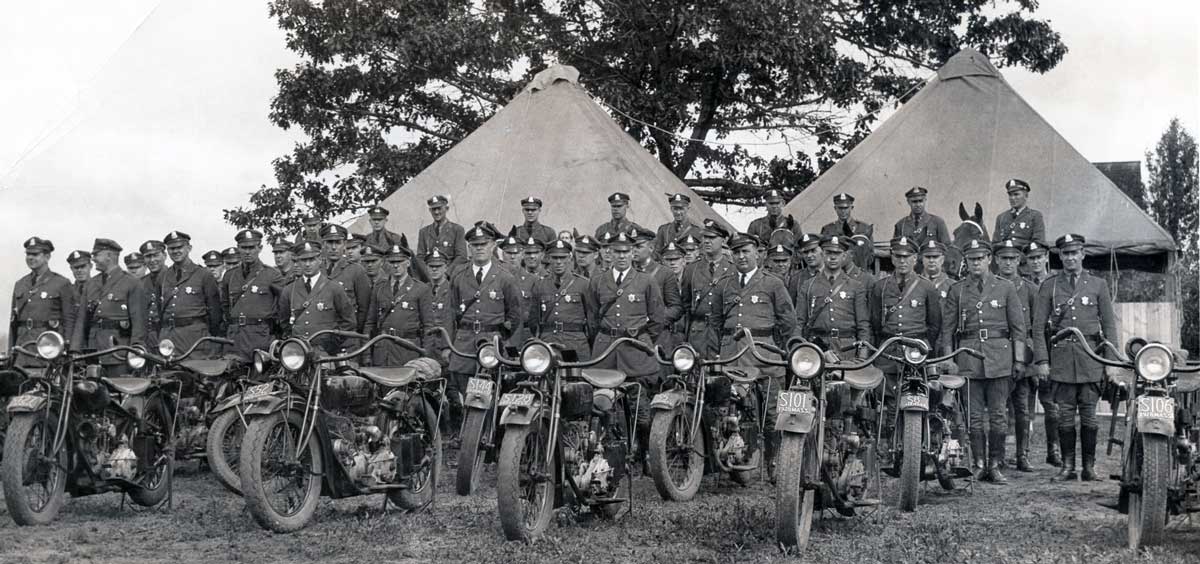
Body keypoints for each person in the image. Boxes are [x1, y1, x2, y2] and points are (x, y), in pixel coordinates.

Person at [1032, 234, 1118, 481]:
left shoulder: (1098, 285)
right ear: (1059, 256)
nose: (1070, 258)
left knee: (1090, 416)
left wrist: (1110, 363)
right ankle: (1068, 466)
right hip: (1061, 359)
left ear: (1083, 254)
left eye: (1074, 252)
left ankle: (1089, 468)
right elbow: (1038, 328)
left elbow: (1110, 327)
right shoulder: (1050, 286)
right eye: (1065, 253)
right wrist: (1042, 361)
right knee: (1065, 415)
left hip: (1090, 357)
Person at [940, 239, 1026, 484]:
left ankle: (995, 464)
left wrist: (1018, 360)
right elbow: (947, 330)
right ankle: (978, 464)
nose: (975, 263)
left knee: (999, 415)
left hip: (1000, 359)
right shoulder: (958, 290)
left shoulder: (1005, 287)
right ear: (966, 261)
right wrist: (950, 359)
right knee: (974, 417)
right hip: (968, 358)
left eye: (980, 258)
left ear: (989, 259)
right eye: (971, 259)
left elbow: (1018, 328)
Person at [713, 232, 796, 481]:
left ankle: (774, 461)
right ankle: (736, 457)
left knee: (773, 414)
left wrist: (788, 354)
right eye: (736, 252)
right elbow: (716, 323)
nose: (741, 256)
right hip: (732, 355)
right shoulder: (725, 284)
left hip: (764, 355)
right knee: (729, 409)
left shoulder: (772, 283)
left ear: (758, 253)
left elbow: (789, 323)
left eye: (746, 251)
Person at [584, 229, 663, 466]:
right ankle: (612, 455)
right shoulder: (598, 280)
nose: (621, 256)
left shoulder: (646, 281)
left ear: (633, 253)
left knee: (640, 408)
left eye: (626, 251)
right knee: (605, 405)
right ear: (609, 253)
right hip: (606, 350)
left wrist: (642, 340)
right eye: (616, 252)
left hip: (635, 349)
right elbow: (592, 317)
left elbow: (657, 318)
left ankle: (646, 454)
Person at [445, 223, 522, 441]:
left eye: (484, 244)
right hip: (464, 343)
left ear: (493, 246)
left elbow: (515, 315)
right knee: (465, 388)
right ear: (469, 248)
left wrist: (505, 344)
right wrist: (447, 346)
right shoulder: (459, 277)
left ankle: (489, 436)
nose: (479, 248)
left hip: (492, 342)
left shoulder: (504, 277)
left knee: (492, 388)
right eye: (474, 245)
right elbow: (451, 314)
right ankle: (470, 434)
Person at [870, 237, 942, 460]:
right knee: (889, 399)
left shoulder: (927, 287)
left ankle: (918, 445)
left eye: (907, 257)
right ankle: (890, 446)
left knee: (918, 394)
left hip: (916, 351)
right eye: (898, 256)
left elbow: (934, 324)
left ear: (915, 259)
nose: (902, 261)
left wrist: (919, 346)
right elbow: (874, 322)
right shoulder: (880, 287)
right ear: (891, 258)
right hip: (889, 351)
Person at [72, 239, 147, 376]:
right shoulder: (91, 284)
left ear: (109, 256)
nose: (93, 259)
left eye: (96, 255)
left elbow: (139, 322)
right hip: (93, 351)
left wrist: (135, 352)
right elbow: (81, 320)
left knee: (118, 393)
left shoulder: (131, 283)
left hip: (118, 353)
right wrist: (76, 349)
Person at [994, 238, 1037, 472]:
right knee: (999, 407)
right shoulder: (992, 286)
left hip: (1023, 353)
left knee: (1022, 407)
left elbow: (1038, 326)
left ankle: (1022, 455)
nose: (1008, 263)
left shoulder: (1029, 289)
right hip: (999, 352)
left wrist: (1038, 359)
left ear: (1019, 261)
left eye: (1012, 259)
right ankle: (998, 456)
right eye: (1004, 259)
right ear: (997, 261)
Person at [277, 240, 356, 354]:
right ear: (298, 262)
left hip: (326, 353)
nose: (308, 264)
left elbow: (349, 321)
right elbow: (284, 322)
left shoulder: (334, 288)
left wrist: (331, 342)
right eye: (304, 260)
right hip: (298, 354)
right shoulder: (289, 290)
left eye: (312, 259)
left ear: (319, 260)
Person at [794, 236, 870, 353]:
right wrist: (797, 348)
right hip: (817, 346)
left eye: (837, 253)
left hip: (847, 346)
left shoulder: (855, 286)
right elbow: (799, 322)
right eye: (828, 253)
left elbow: (863, 324)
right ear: (823, 254)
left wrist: (863, 354)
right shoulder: (808, 285)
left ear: (844, 256)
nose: (833, 257)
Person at [364, 242, 435, 366]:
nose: (396, 266)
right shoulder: (379, 288)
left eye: (400, 262)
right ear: (387, 264)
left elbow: (429, 326)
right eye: (392, 262)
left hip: (408, 350)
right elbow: (370, 323)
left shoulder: (421, 289)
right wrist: (367, 354)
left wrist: (426, 355)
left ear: (408, 263)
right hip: (382, 351)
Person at [9, 237, 77, 356]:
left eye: (35, 254)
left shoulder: (61, 283)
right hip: (23, 347)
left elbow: (69, 319)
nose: (30, 258)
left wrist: (68, 347)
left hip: (50, 347)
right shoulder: (20, 284)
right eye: (28, 254)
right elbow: (13, 322)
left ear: (47, 257)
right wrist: (11, 348)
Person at [1024, 239, 1059, 465]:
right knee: (1024, 405)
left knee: (1051, 404)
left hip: (1051, 347)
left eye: (1039, 257)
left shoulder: (1057, 283)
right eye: (1031, 259)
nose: (1036, 262)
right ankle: (1023, 453)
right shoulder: (1021, 285)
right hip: (1028, 347)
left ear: (1046, 257)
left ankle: (1053, 451)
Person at [160, 231, 223, 356]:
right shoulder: (163, 276)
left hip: (194, 339)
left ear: (189, 248)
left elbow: (215, 313)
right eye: (172, 248)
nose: (176, 251)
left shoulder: (203, 275)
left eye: (179, 247)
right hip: (168, 339)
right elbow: (160, 307)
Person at [223, 229, 283, 362]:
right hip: (234, 339)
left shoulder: (272, 275)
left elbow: (282, 307)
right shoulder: (230, 276)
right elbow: (225, 307)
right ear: (238, 248)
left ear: (260, 248)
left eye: (251, 247)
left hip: (259, 338)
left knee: (258, 380)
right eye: (244, 248)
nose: (247, 252)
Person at [680, 219, 734, 359]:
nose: (707, 241)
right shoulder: (691, 269)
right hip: (697, 333)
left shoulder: (733, 268)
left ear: (723, 241)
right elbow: (685, 305)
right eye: (705, 237)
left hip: (723, 332)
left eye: (712, 237)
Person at [529, 239, 591, 360]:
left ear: (570, 258)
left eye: (562, 258)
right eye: (555, 258)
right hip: (548, 342)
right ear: (549, 259)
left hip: (575, 342)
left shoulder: (583, 284)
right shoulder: (540, 284)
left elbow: (592, 320)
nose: (558, 262)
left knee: (575, 377)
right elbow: (534, 319)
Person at [633, 225, 682, 366]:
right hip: (633, 336)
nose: (634, 250)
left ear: (651, 248)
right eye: (632, 246)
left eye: (639, 246)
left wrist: (656, 319)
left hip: (659, 337)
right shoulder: (627, 274)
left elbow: (676, 308)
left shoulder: (664, 273)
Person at [321, 224, 372, 333]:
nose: (334, 247)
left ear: (344, 244)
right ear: (323, 244)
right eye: (330, 242)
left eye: (338, 243)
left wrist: (356, 332)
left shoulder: (356, 271)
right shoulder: (317, 271)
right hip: (320, 334)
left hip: (347, 335)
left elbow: (364, 308)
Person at [822, 193, 875, 271]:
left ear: (851, 207)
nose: (843, 211)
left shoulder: (863, 228)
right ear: (835, 208)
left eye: (846, 208)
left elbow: (871, 254)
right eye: (840, 208)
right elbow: (823, 254)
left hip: (859, 272)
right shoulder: (828, 229)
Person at [418, 194, 469, 275]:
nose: (436, 212)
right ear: (430, 211)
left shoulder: (457, 229)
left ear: (446, 209)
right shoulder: (424, 232)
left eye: (439, 208)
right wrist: (428, 274)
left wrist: (447, 273)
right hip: (430, 276)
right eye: (433, 209)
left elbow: (461, 257)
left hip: (450, 276)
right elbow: (420, 258)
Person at [992, 179, 1046, 248]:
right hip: (1004, 255)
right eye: (1010, 195)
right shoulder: (1001, 217)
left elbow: (1038, 242)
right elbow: (995, 244)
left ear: (1026, 196)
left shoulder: (1035, 216)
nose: (1012, 198)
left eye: (1016, 194)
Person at [139, 240, 167, 345]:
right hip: (147, 337)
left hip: (169, 335)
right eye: (148, 256)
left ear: (164, 255)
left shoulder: (175, 278)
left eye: (156, 255)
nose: (152, 260)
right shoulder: (141, 283)